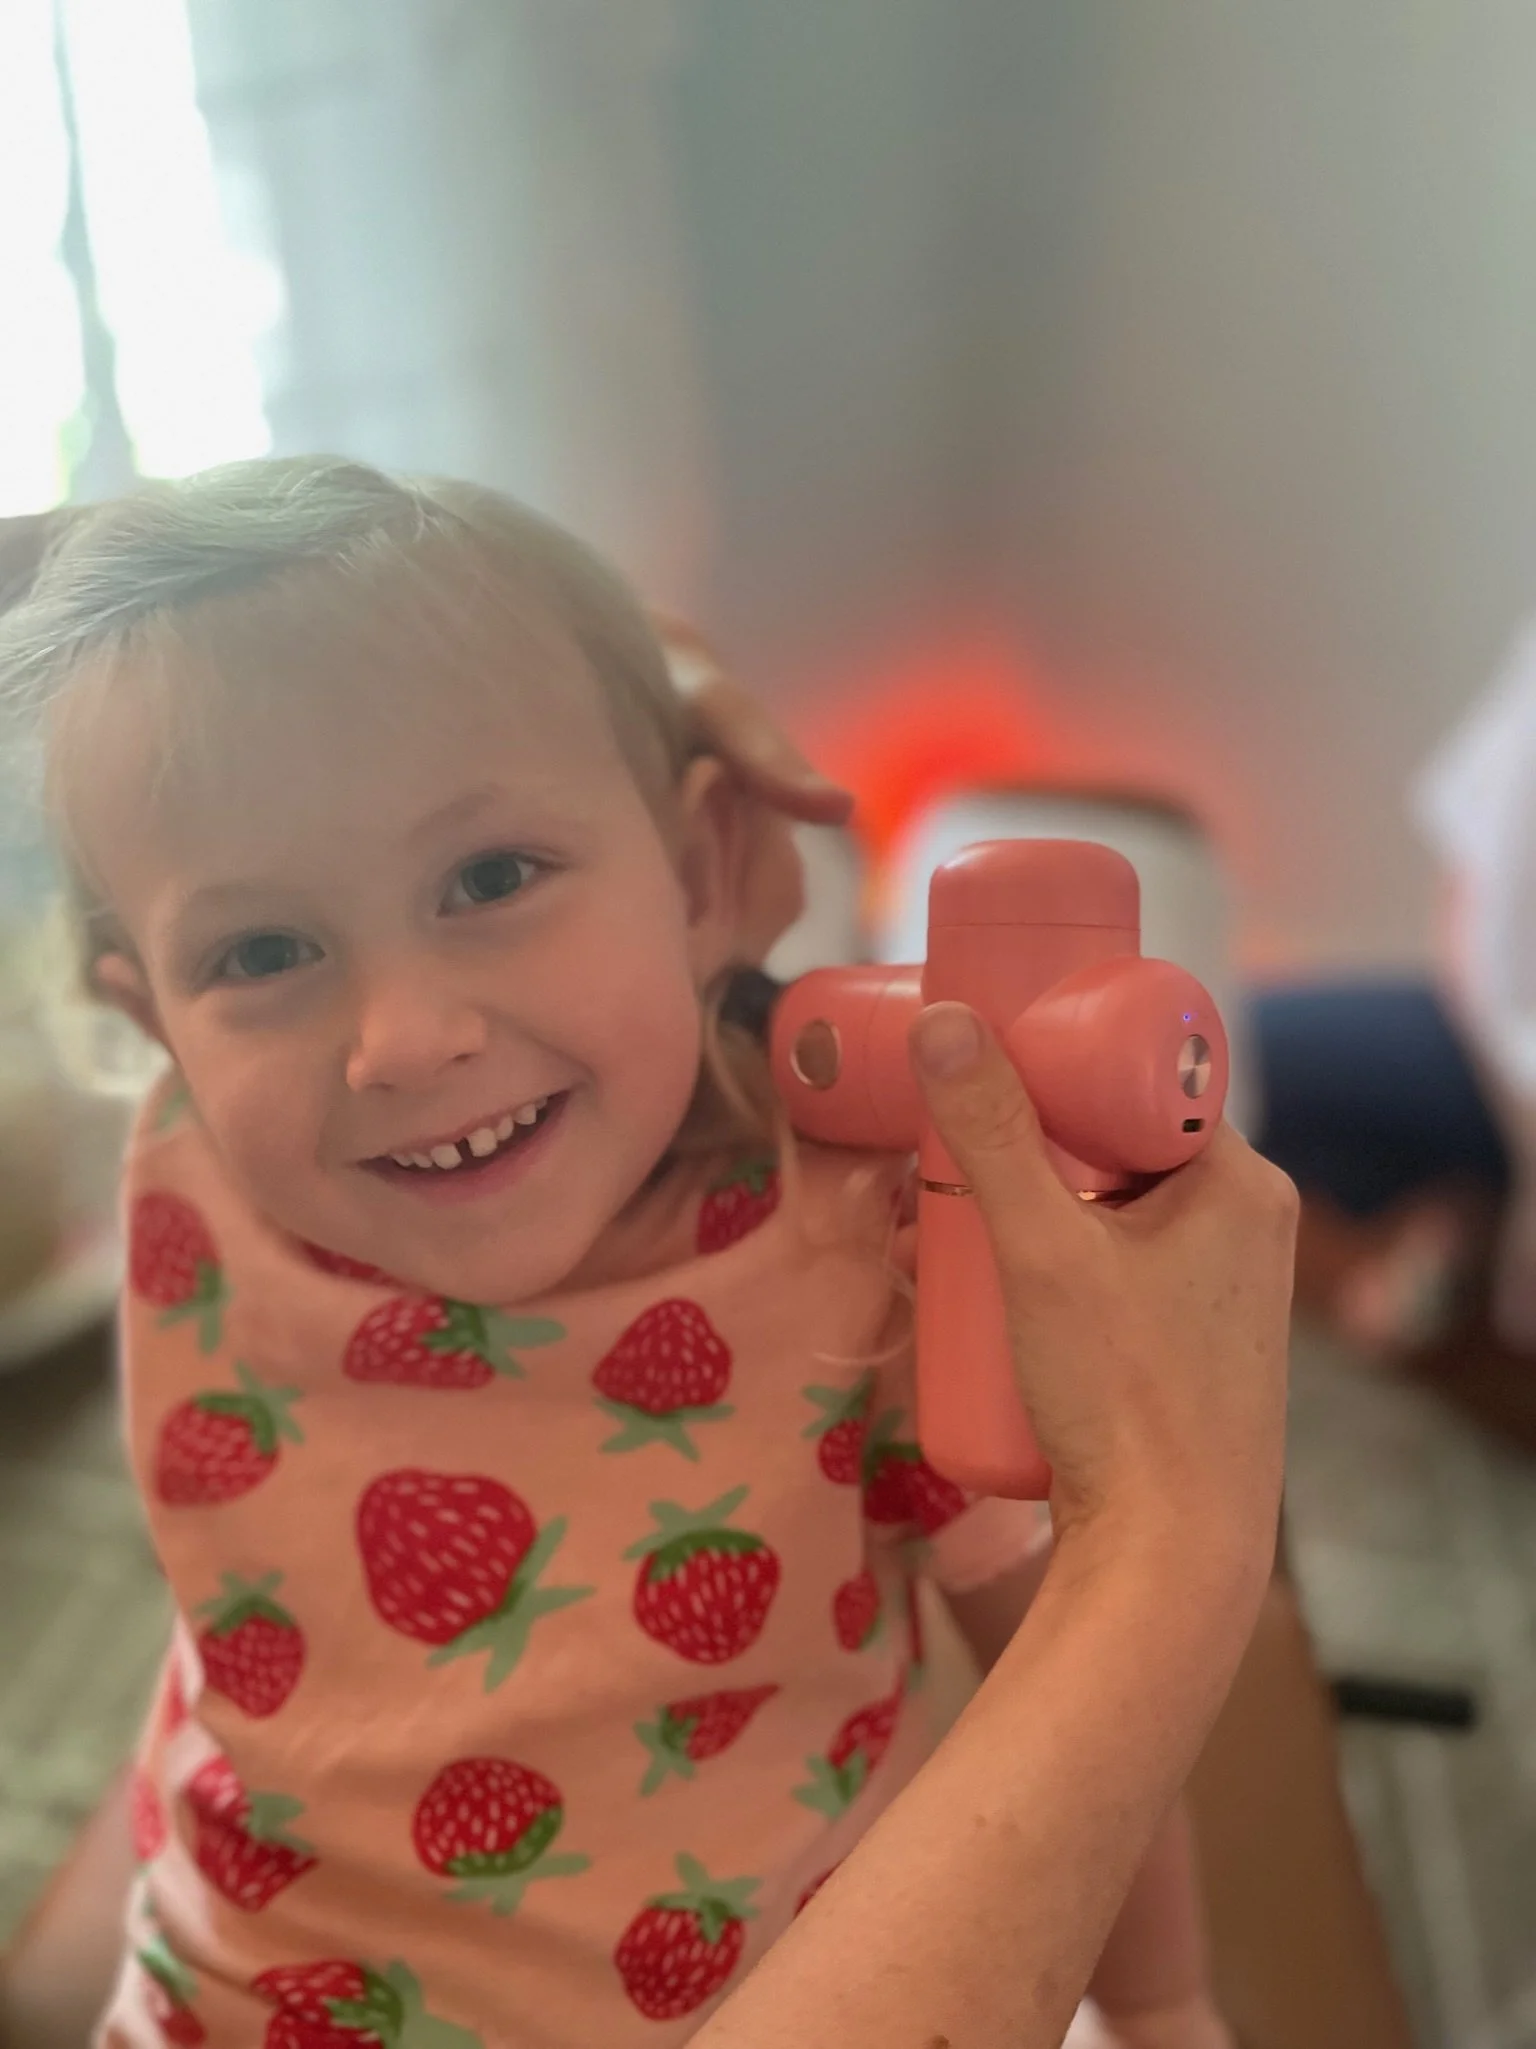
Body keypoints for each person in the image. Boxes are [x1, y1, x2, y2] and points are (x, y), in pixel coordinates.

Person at [0, 461, 1290, 2049]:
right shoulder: (193, 1159)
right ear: (156, 1027)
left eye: (489, 879)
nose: (404, 1040)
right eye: (264, 953)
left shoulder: (856, 1254)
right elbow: (290, 726)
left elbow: (1071, 1704)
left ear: (694, 877)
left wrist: (1164, 2006)